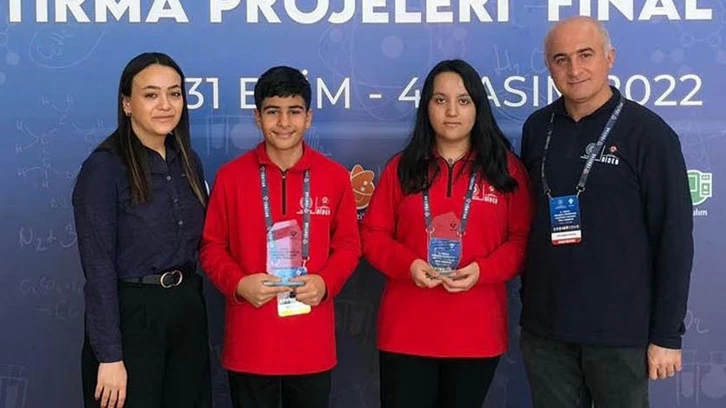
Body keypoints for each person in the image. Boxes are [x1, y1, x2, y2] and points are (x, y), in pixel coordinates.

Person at [519, 16, 694, 408]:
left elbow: (674, 239)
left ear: (609, 58)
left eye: (586, 55)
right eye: (561, 59)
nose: (574, 69)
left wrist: (667, 335)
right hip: (546, 332)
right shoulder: (537, 128)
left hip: (620, 334)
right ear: (549, 66)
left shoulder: (649, 134)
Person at [360, 59, 534, 408]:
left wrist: (483, 270)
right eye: (440, 100)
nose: (452, 111)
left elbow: (522, 242)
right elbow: (373, 234)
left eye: (463, 100)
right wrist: (408, 265)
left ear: (478, 107)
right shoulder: (402, 167)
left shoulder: (506, 170)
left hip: (476, 334)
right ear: (427, 107)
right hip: (406, 332)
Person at [199, 66, 361, 408]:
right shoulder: (230, 177)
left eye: (294, 111)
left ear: (309, 118)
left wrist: (326, 282)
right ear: (257, 117)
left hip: (311, 346)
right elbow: (212, 247)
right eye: (273, 111)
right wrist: (239, 284)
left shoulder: (334, 177)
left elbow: (348, 245)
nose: (284, 122)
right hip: (251, 344)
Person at [73, 52, 211, 408]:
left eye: (174, 93)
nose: (165, 104)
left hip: (186, 311)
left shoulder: (188, 161)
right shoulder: (104, 168)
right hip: (131, 316)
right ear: (127, 104)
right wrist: (110, 356)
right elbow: (98, 267)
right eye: (151, 94)